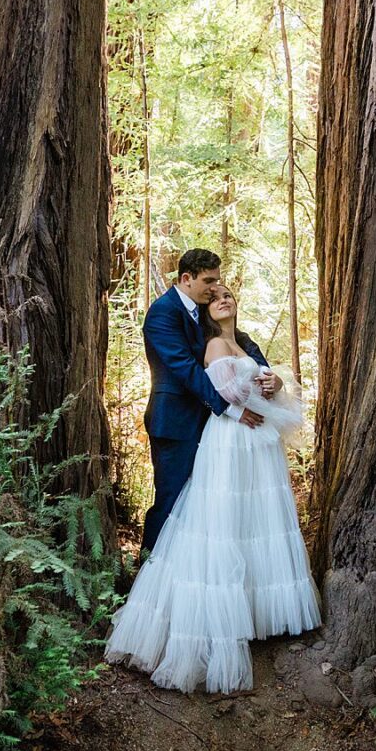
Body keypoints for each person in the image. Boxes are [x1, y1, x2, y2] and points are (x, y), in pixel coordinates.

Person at [106, 282, 321, 693]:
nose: (223, 299)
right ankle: (205, 618)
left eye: (229, 295)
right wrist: (249, 393)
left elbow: (268, 384)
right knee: (220, 520)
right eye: (216, 295)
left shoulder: (245, 344)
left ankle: (259, 614)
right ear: (207, 309)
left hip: (258, 444)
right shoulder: (212, 348)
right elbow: (225, 392)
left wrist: (273, 384)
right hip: (230, 438)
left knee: (257, 522)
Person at [137, 248, 275, 556]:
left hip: (208, 425)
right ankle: (148, 571)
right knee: (172, 501)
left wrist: (268, 373)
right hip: (174, 422)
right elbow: (186, 369)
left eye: (218, 281)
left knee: (201, 505)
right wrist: (231, 408)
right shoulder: (163, 312)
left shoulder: (202, 310)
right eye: (208, 281)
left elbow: (237, 342)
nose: (215, 289)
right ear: (186, 279)